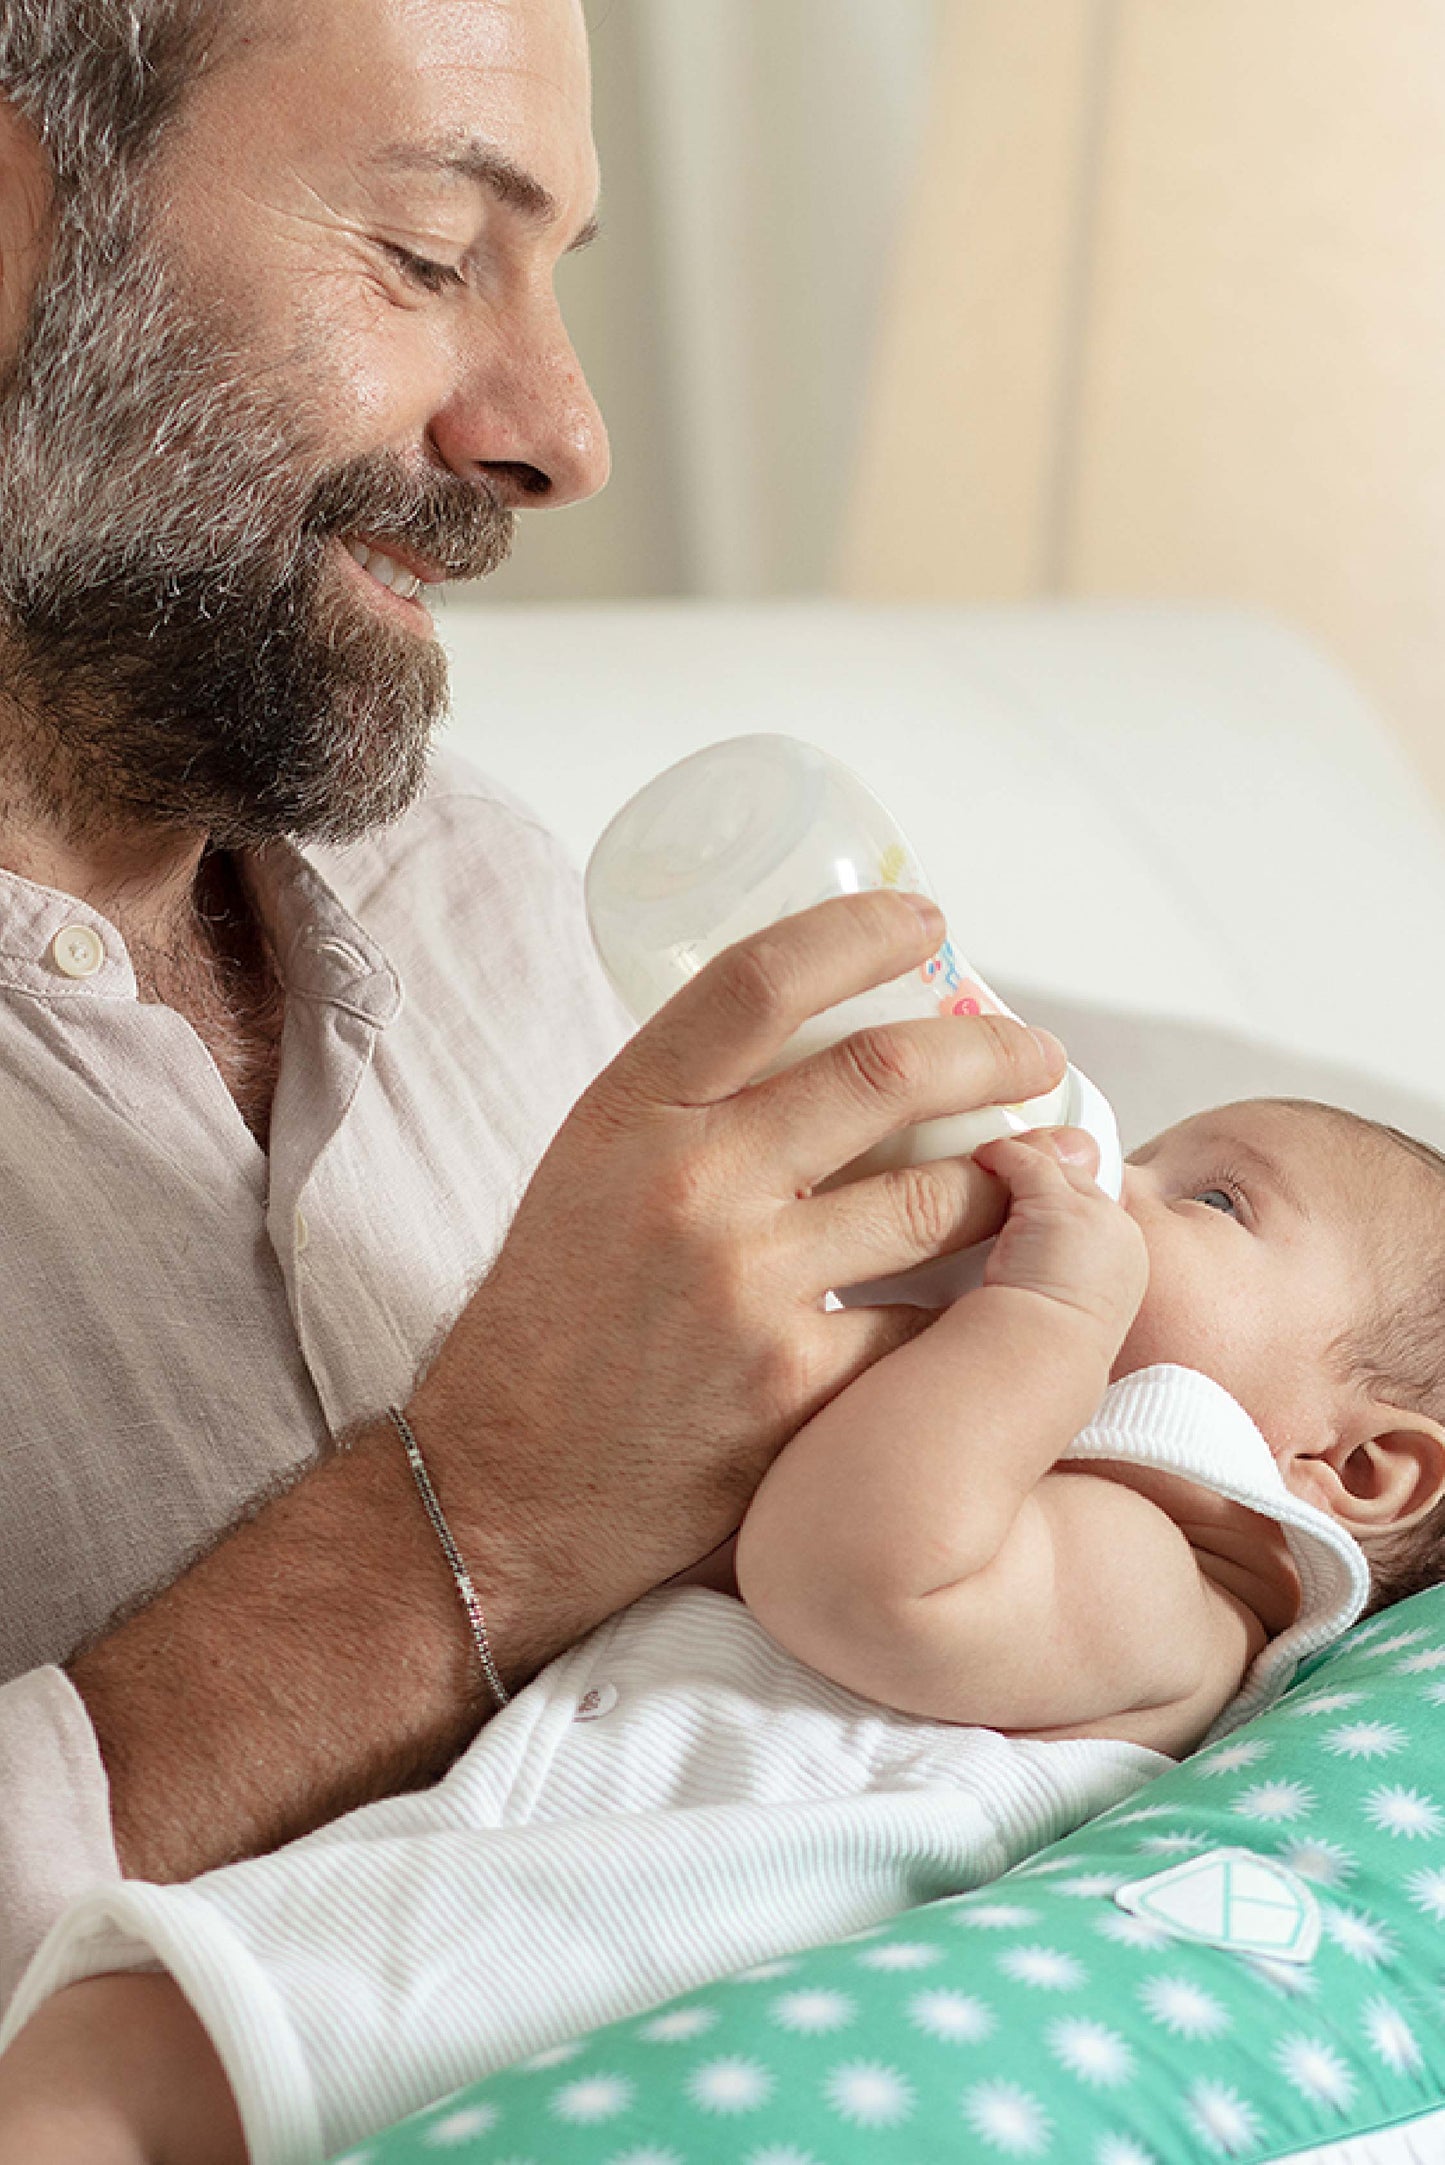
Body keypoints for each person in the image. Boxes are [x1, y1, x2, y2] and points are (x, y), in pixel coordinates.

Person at [0, 0, 1067, 2016]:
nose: (562, 437)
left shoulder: (482, 880)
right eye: (422, 253)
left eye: (554, 280)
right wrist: (478, 1514)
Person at [2, 1095, 1442, 2164]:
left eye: (1214, 1203)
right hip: (492, 1912)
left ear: (1354, 1468)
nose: (1113, 1176)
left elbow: (860, 1573)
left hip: (548, 1977)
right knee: (105, 2058)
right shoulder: (1028, 1468)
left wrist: (1058, 1299)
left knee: (115, 2073)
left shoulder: (1175, 1590)